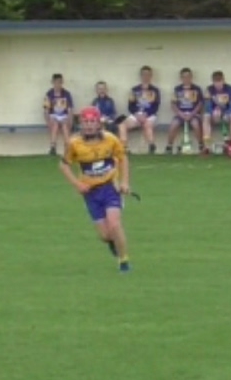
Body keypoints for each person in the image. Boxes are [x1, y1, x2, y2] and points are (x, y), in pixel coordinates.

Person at [60, 108, 133, 274]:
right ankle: (113, 243)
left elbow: (123, 158)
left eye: (92, 122)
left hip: (110, 187)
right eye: (85, 122)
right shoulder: (74, 144)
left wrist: (124, 182)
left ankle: (124, 261)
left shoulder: (110, 140)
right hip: (90, 193)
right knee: (104, 236)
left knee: (115, 224)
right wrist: (77, 184)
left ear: (99, 123)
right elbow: (63, 165)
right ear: (81, 124)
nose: (89, 126)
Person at [120, 66, 162, 155]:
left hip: (150, 114)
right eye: (144, 75)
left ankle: (151, 146)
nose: (146, 77)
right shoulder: (134, 90)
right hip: (136, 114)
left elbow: (156, 106)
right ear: (141, 76)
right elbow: (130, 106)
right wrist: (136, 114)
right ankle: (124, 148)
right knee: (122, 125)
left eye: (148, 75)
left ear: (151, 76)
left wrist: (146, 115)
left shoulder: (155, 90)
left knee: (147, 125)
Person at [166, 68, 207, 156]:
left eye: (188, 76)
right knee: (173, 124)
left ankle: (201, 145)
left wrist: (192, 114)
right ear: (181, 78)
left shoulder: (197, 89)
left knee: (196, 124)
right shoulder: (177, 89)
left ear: (191, 77)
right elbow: (173, 104)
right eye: (184, 77)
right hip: (181, 114)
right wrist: (180, 113)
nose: (186, 79)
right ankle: (169, 146)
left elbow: (200, 104)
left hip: (194, 114)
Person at [206, 71, 231, 149]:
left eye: (220, 81)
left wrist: (225, 113)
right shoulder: (209, 89)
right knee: (206, 117)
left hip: (226, 114)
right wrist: (213, 112)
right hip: (214, 115)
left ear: (223, 80)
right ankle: (207, 146)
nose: (218, 84)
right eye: (216, 81)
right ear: (213, 81)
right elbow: (207, 106)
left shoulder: (230, 89)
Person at [44, 74, 75, 156]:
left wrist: (70, 120)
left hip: (64, 115)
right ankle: (53, 147)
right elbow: (46, 110)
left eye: (60, 82)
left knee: (65, 125)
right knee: (55, 124)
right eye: (56, 82)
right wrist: (48, 121)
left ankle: (68, 147)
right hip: (53, 115)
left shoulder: (66, 94)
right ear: (52, 82)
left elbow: (70, 109)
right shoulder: (49, 94)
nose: (58, 84)